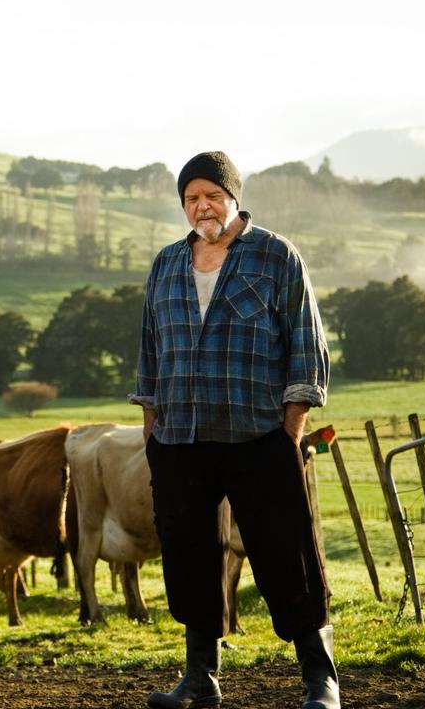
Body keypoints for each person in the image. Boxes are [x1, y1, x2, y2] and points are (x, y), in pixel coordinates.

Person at [131, 151, 339, 709]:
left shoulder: (275, 256)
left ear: (233, 198)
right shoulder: (167, 264)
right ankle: (200, 679)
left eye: (213, 196)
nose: (202, 207)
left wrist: (290, 429)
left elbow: (306, 346)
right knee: (190, 557)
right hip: (181, 439)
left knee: (287, 553)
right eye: (192, 198)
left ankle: (320, 679)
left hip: (258, 436)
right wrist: (152, 429)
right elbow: (149, 352)